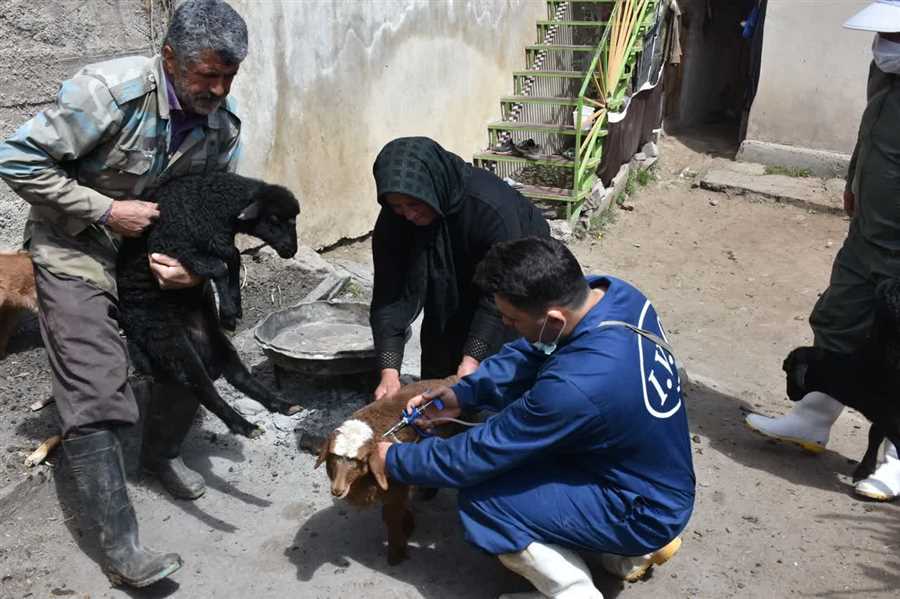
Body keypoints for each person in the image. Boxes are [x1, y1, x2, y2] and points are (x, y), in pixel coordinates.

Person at [0, 0, 247, 587]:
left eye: (228, 76)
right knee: (94, 379)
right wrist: (107, 209)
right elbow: (16, 158)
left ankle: (159, 454)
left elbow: (214, 205)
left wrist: (193, 267)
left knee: (200, 347)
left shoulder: (224, 123)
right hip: (74, 246)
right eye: (206, 75)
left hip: (151, 257)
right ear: (169, 58)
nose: (217, 89)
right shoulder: (107, 93)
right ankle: (123, 547)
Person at [369, 237, 695, 598]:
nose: (506, 326)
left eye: (512, 319)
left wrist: (396, 458)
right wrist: (463, 393)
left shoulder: (574, 386)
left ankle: (577, 591)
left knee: (485, 503)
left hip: (643, 508)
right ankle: (635, 552)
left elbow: (477, 456)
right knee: (519, 429)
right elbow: (533, 351)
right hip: (655, 473)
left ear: (554, 318)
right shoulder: (613, 295)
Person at [745, 2, 900, 502]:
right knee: (838, 320)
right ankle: (813, 417)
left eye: (894, 35)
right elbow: (871, 130)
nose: (883, 45)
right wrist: (855, 180)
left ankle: (897, 456)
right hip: (867, 234)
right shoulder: (886, 72)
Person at [369, 136, 550, 401]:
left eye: (415, 205)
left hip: (515, 287)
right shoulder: (395, 219)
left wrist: (473, 358)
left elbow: (498, 293)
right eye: (398, 206)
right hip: (451, 283)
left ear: (434, 188)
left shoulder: (490, 208)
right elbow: (389, 293)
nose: (408, 215)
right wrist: (389, 372)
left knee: (497, 374)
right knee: (442, 356)